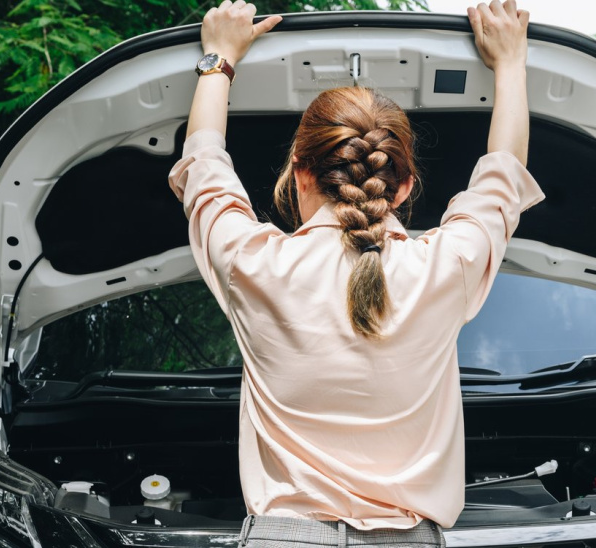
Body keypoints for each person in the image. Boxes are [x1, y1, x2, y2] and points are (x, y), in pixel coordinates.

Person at [168, 0, 544, 545]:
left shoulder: (251, 263)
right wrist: (511, 64)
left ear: (299, 170)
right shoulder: (450, 263)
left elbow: (204, 161)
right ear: (407, 185)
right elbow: (504, 170)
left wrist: (218, 58)